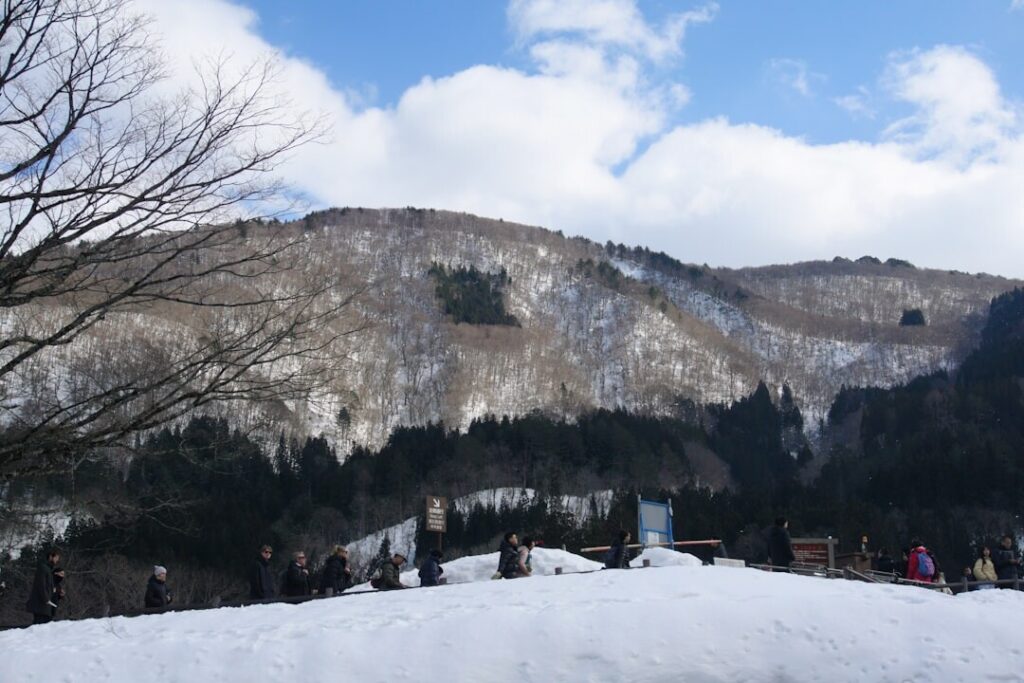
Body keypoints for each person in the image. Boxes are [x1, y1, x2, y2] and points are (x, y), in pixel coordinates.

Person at [25, 548, 61, 625]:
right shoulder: (43, 568)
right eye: (56, 558)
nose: (57, 560)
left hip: (44, 605)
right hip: (41, 605)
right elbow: (41, 585)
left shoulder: (47, 569)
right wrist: (46, 599)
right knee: (40, 624)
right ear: (51, 557)